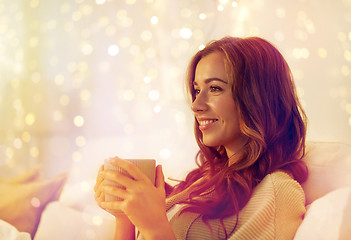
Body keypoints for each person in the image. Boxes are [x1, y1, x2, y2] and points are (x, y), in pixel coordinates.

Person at [94, 36, 308, 240]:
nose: (196, 105)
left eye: (215, 88)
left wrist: (155, 226)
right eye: (197, 90)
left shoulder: (278, 192)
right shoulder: (203, 182)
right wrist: (125, 218)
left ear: (258, 98)